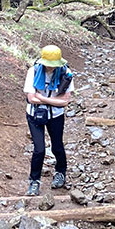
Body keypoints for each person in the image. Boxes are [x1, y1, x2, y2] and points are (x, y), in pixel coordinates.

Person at [23, 44, 74, 196]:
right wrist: (52, 100)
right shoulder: (34, 71)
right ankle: (34, 181)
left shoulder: (66, 72)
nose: (51, 68)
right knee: (39, 149)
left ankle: (60, 173)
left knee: (57, 146)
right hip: (34, 115)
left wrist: (42, 98)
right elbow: (31, 99)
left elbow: (65, 101)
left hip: (56, 115)